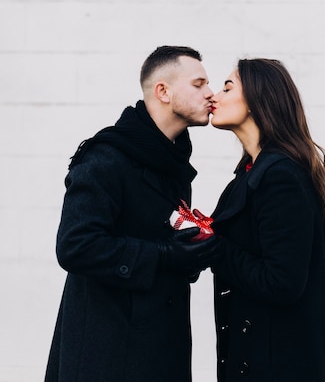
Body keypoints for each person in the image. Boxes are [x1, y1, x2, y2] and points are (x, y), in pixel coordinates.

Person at [45, 45, 221, 382]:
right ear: (163, 91)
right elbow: (75, 246)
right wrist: (165, 255)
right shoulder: (106, 157)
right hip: (108, 356)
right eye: (198, 84)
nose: (210, 94)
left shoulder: (173, 163)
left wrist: (191, 252)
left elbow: (161, 247)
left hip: (160, 352)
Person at [209, 58, 325, 382]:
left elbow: (282, 281)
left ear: (259, 99)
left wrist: (212, 246)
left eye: (227, 87)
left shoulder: (280, 177)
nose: (214, 96)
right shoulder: (248, 177)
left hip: (287, 365)